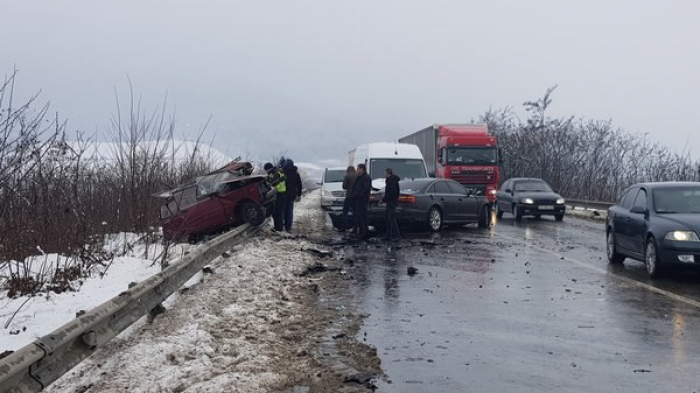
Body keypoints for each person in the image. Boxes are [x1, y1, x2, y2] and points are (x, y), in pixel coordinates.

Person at [281, 158, 303, 232]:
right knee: (289, 211)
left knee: (283, 210)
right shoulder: (296, 173)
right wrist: (299, 194)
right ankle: (288, 227)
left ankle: (282, 225)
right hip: (292, 195)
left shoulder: (283, 172)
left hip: (283, 195)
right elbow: (299, 184)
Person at [264, 162, 287, 232]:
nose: (266, 172)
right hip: (283, 193)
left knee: (277, 212)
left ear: (268, 169)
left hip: (279, 193)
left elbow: (271, 183)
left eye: (266, 170)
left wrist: (267, 193)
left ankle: (278, 228)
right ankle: (280, 226)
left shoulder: (274, 173)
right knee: (279, 211)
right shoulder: (277, 171)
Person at [352, 163, 372, 240]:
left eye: (358, 169)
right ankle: (361, 232)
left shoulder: (366, 178)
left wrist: (359, 195)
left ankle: (363, 232)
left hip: (362, 200)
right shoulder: (359, 177)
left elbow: (365, 189)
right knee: (359, 216)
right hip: (357, 200)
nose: (357, 170)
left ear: (362, 169)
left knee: (362, 216)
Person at [382, 168, 401, 241]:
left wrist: (384, 199)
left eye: (385, 173)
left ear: (387, 173)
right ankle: (391, 235)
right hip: (392, 201)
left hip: (391, 202)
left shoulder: (391, 181)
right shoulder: (392, 180)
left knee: (390, 219)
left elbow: (391, 192)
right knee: (390, 218)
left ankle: (395, 235)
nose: (385, 175)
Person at [340, 165, 357, 232]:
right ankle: (355, 228)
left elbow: (344, 186)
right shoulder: (357, 176)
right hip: (356, 197)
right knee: (355, 213)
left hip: (349, 196)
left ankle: (344, 227)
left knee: (345, 212)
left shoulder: (347, 176)